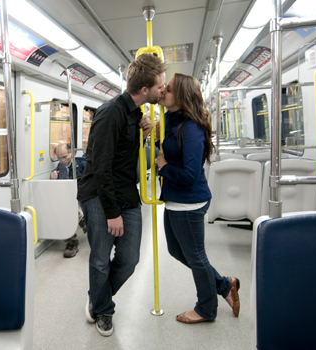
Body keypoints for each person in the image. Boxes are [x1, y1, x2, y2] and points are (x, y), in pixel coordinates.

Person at [77, 53, 166, 336]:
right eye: (159, 86)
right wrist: (112, 212)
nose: (162, 90)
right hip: (100, 196)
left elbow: (121, 155)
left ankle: (97, 297)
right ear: (144, 90)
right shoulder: (110, 113)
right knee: (101, 258)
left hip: (127, 193)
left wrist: (144, 135)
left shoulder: (135, 113)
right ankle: (104, 310)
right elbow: (100, 168)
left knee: (129, 259)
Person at [155, 73, 240, 324]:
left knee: (195, 256)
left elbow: (190, 174)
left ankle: (206, 308)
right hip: (175, 200)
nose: (162, 92)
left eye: (167, 89)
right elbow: (171, 147)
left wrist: (163, 167)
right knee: (176, 251)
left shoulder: (191, 128)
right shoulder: (174, 120)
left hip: (188, 202)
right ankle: (225, 285)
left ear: (180, 96)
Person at [50, 143, 87, 258]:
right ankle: (72, 242)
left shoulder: (82, 165)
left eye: (64, 157)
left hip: (82, 197)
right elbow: (54, 190)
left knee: (70, 204)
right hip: (67, 200)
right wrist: (52, 179)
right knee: (61, 208)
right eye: (59, 158)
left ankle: (82, 219)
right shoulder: (58, 169)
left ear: (71, 153)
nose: (61, 160)